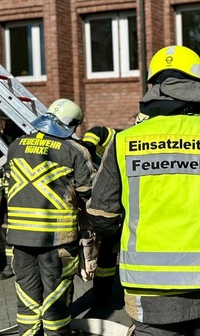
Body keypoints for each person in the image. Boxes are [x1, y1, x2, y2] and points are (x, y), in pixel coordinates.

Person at [87, 45, 200, 335]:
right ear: (198, 84)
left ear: (154, 85)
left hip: (149, 294)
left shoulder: (124, 141)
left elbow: (101, 215)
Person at [5, 99, 95, 336]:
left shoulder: (15, 145)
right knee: (56, 295)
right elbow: (90, 194)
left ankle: (28, 333)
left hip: (20, 237)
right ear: (69, 124)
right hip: (57, 239)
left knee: (26, 295)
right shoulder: (75, 150)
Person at [80, 125, 122, 306]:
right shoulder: (118, 137)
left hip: (113, 207)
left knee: (108, 253)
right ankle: (102, 293)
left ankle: (103, 293)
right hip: (110, 209)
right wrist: (88, 146)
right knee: (107, 252)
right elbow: (98, 132)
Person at [0, 113, 26, 281]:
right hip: (7, 195)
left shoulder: (25, 139)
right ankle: (10, 264)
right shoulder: (1, 140)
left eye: (8, 121)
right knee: (6, 230)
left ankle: (23, 265)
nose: (6, 125)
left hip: (24, 194)